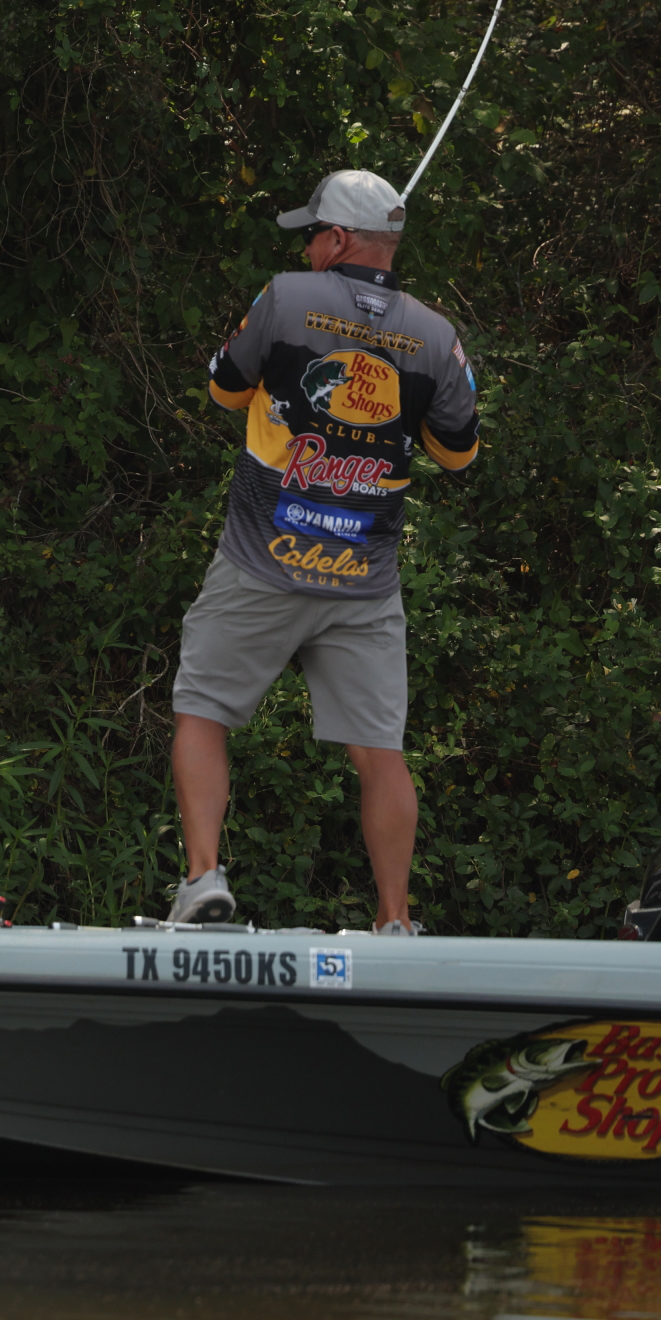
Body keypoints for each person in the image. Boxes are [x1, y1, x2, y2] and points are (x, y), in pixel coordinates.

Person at [166, 169, 481, 933]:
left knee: (201, 713)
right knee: (380, 751)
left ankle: (205, 881)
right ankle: (396, 921)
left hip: (258, 563)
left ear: (339, 239)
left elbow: (223, 390)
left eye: (312, 234)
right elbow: (457, 452)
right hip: (365, 585)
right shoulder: (437, 337)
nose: (305, 247)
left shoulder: (283, 298)